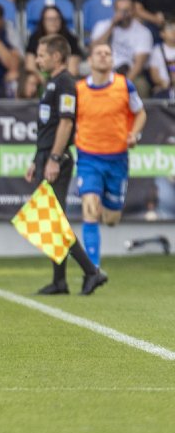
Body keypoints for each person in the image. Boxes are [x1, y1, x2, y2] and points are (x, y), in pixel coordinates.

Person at [25, 35, 106, 294]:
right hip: (45, 155)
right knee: (49, 220)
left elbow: (66, 122)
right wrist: (36, 158)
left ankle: (92, 272)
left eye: (41, 55)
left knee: (53, 219)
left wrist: (54, 158)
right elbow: (48, 127)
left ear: (56, 56)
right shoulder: (52, 83)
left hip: (55, 158)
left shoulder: (65, 83)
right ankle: (59, 281)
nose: (37, 60)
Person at [75, 43, 147, 271]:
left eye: (108, 53)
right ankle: (93, 269)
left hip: (117, 159)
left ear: (112, 60)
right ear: (90, 60)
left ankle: (110, 210)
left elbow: (140, 113)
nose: (104, 56)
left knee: (111, 219)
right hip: (88, 157)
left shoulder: (124, 85)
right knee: (89, 210)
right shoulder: (78, 90)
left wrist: (134, 134)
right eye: (99, 53)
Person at [90, 0, 154, 95]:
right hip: (104, 70)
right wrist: (112, 25)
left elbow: (138, 65)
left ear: (133, 11)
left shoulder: (143, 32)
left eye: (126, 10)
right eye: (119, 10)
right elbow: (94, 49)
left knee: (142, 85)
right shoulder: (102, 26)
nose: (123, 14)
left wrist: (123, 85)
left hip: (129, 73)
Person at [24, 4, 82, 80]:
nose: (53, 22)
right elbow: (30, 65)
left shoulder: (70, 39)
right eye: (49, 19)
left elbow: (73, 68)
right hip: (40, 75)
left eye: (56, 18)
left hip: (64, 75)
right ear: (43, 21)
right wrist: (42, 78)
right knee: (30, 79)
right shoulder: (35, 38)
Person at [148, 17, 175, 96]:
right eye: (170, 29)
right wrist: (164, 83)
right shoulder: (156, 51)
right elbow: (154, 74)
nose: (173, 31)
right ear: (162, 34)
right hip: (165, 87)